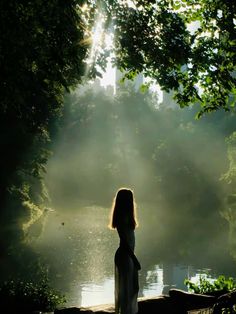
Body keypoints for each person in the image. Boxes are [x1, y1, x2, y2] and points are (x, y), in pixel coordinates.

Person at [110, 188, 141, 314]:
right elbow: (124, 242)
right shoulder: (123, 218)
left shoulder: (127, 216)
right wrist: (135, 259)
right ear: (127, 201)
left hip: (127, 256)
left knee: (131, 288)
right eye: (131, 199)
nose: (133, 201)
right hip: (125, 256)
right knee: (127, 290)